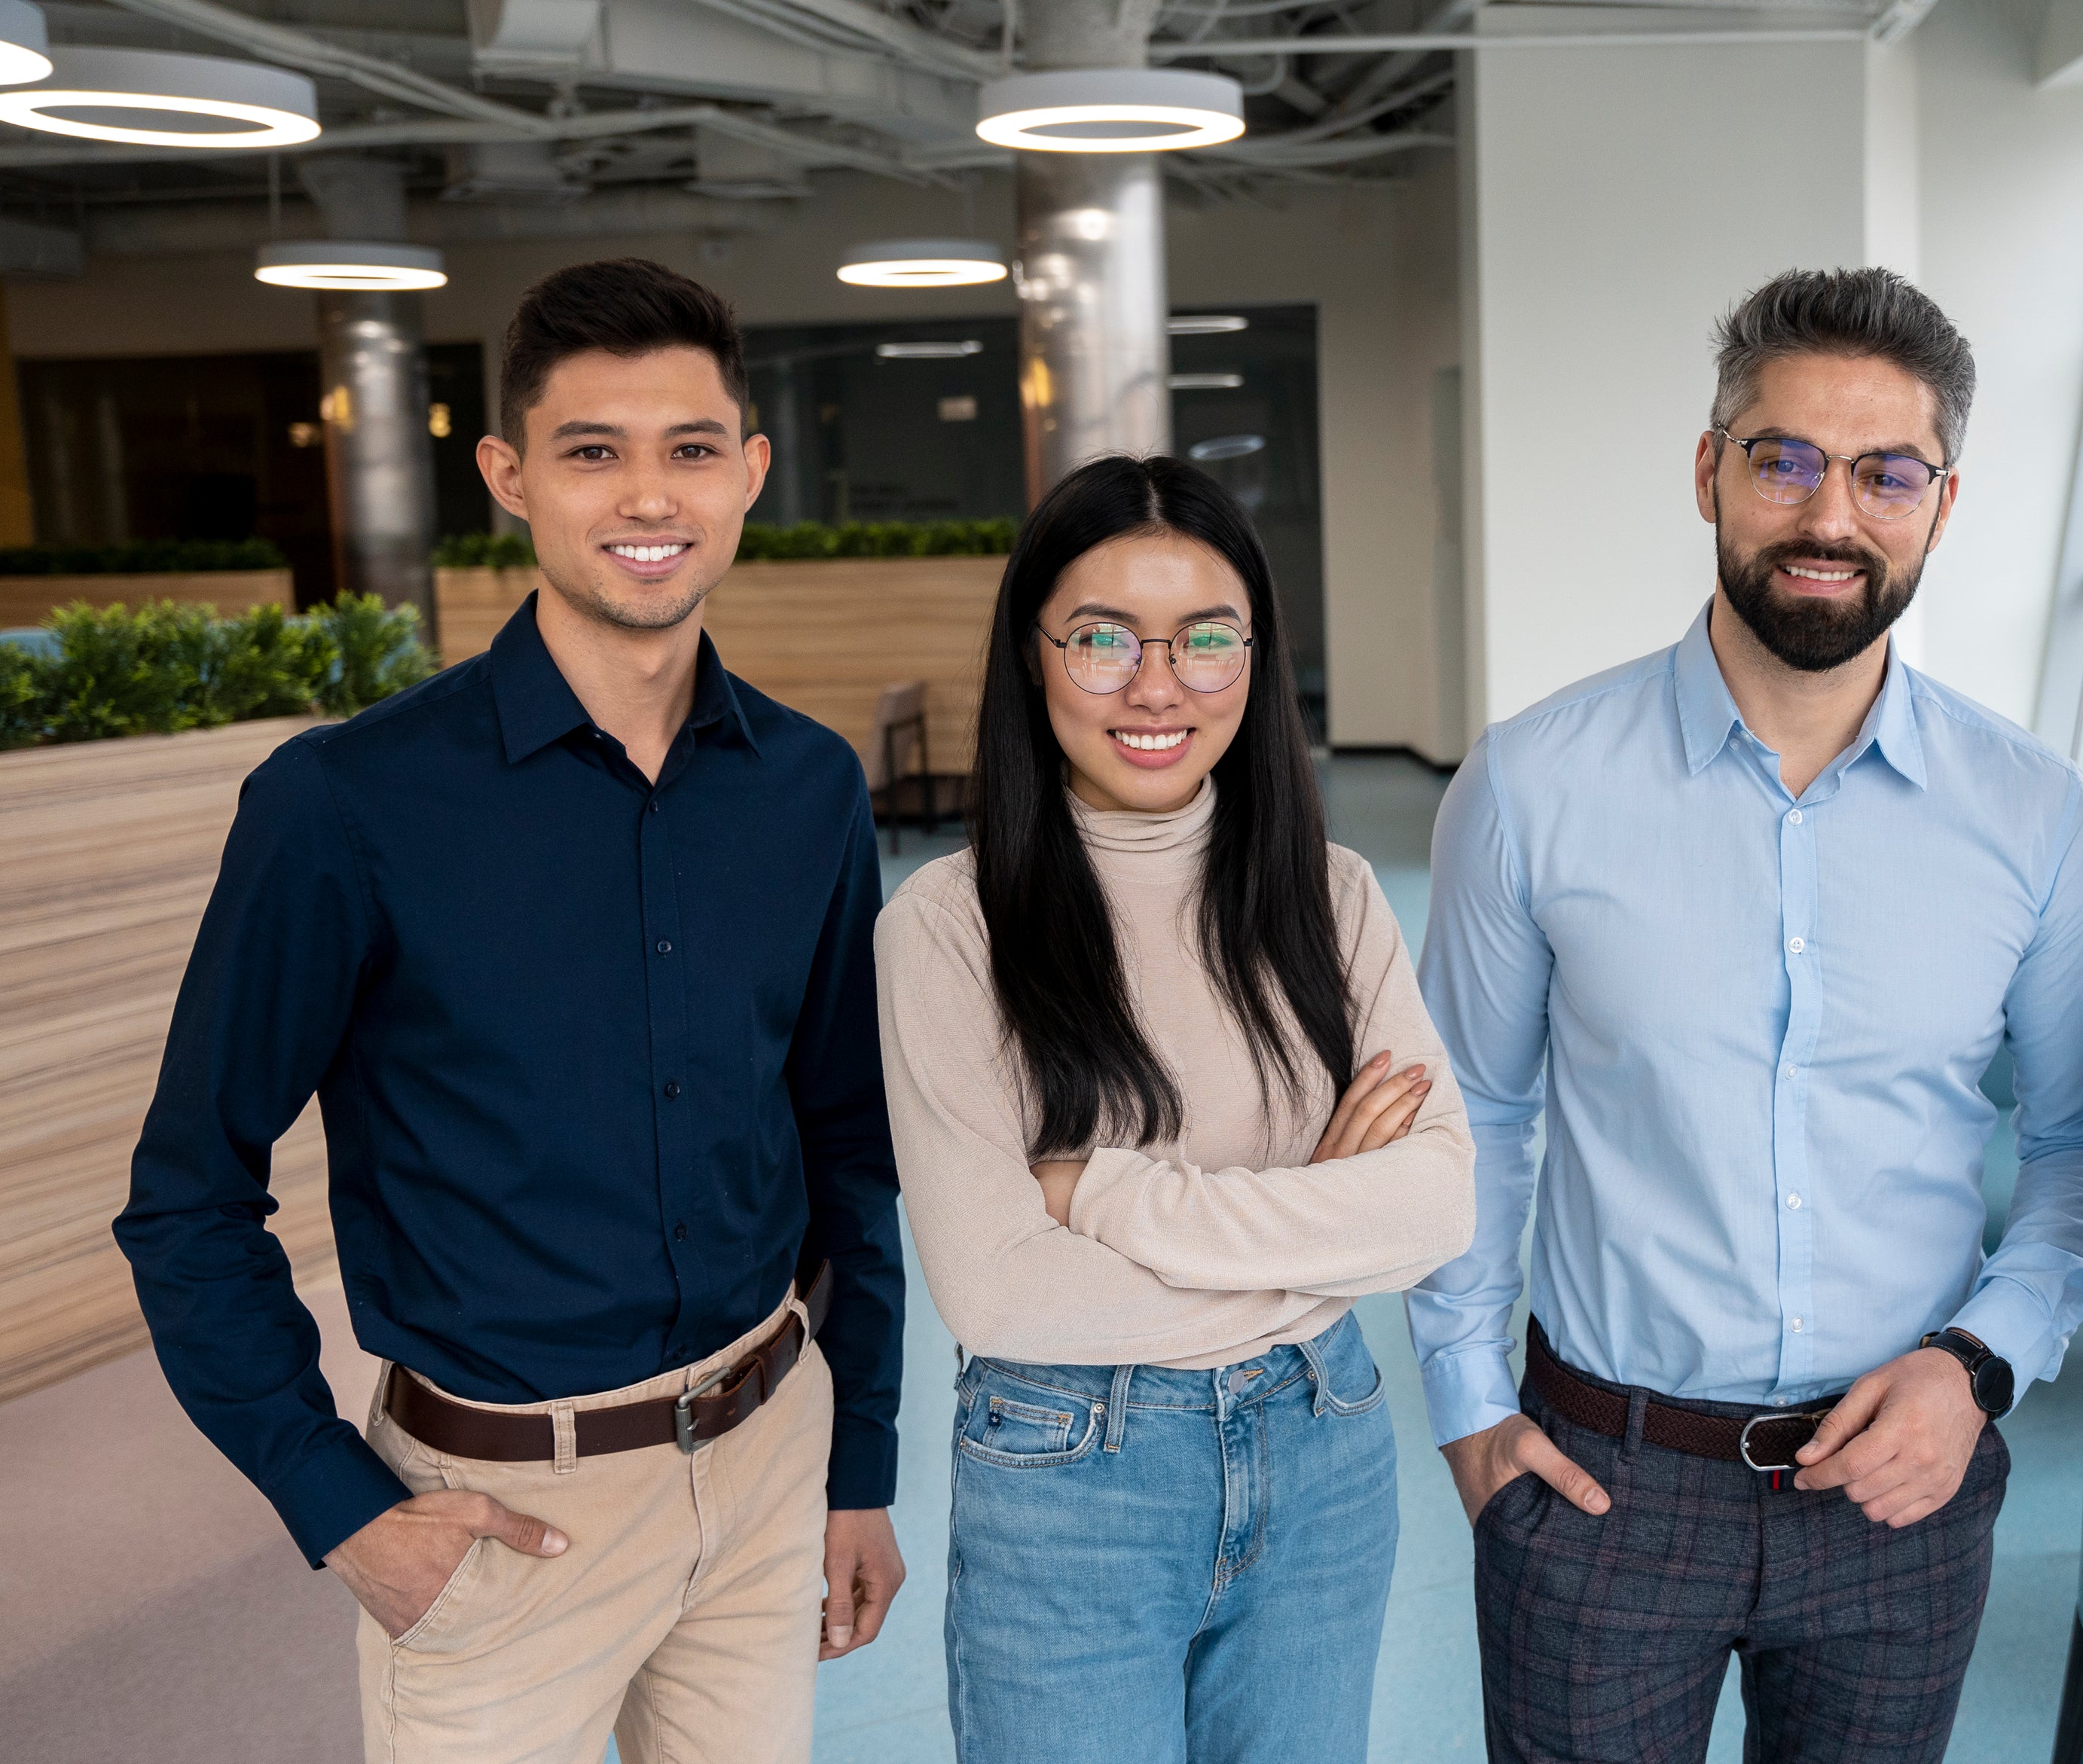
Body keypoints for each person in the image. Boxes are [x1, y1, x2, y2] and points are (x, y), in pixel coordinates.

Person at [112, 258, 907, 1764]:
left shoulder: (808, 789)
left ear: (749, 472)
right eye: (591, 451)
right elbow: (187, 1200)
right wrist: (341, 1509)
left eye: (687, 449)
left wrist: (856, 1456)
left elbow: (847, 1148)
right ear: (508, 478)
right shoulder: (343, 806)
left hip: (763, 1466)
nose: (645, 495)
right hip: (497, 1519)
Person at [1408, 266, 2083, 1762]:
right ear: (1709, 471)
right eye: (1784, 457)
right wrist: (1471, 1413)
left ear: (1941, 499)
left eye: (1886, 472)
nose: (1831, 515)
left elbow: (2078, 1145)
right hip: (1601, 1480)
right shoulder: (1532, 783)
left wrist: (1980, 1368)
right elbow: (1469, 1111)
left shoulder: (2041, 816)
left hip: (1902, 1483)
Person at [875, 453, 1475, 1764]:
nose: (1158, 685)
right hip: (1069, 1476)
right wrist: (1319, 1229)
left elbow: (1436, 1204)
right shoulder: (947, 928)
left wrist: (1100, 1191)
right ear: (1033, 655)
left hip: (1324, 1451)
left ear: (1255, 656)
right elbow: (1000, 1292)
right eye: (1102, 639)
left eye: (1207, 639)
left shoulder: (1334, 895)